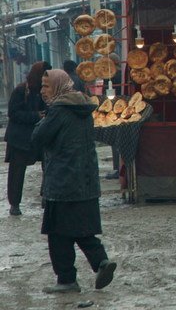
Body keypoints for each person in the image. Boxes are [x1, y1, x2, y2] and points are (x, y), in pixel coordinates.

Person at [32, 69, 117, 293]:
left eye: (46, 86)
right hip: (86, 180)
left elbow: (38, 138)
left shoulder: (59, 111)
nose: (42, 91)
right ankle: (101, 262)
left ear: (58, 87)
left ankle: (67, 280)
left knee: (58, 233)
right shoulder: (82, 109)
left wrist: (41, 122)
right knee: (81, 228)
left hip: (63, 181)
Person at [4, 61, 50, 216]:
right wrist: (35, 116)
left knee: (49, 165)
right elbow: (13, 113)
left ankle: (47, 196)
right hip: (20, 139)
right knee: (17, 173)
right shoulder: (21, 90)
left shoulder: (45, 91)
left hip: (40, 136)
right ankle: (14, 204)